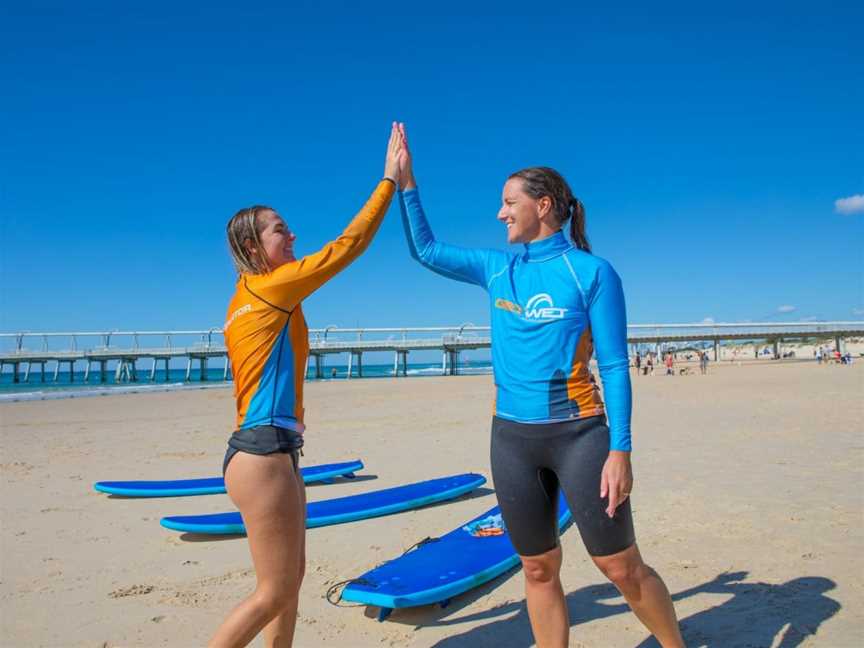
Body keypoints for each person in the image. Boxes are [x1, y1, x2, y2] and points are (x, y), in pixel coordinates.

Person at [395, 124, 683, 647]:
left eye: (509, 202)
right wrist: (406, 183)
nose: (500, 213)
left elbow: (615, 366)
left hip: (580, 436)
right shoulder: (496, 269)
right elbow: (426, 250)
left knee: (619, 566)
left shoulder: (591, 273)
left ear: (543, 205)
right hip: (511, 439)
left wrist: (621, 449)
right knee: (537, 569)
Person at [211, 124, 403, 647]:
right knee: (273, 591)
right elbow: (348, 247)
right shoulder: (270, 287)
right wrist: (389, 181)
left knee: (289, 585)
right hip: (261, 456)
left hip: (275, 452)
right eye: (280, 230)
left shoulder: (248, 294)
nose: (292, 236)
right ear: (254, 245)